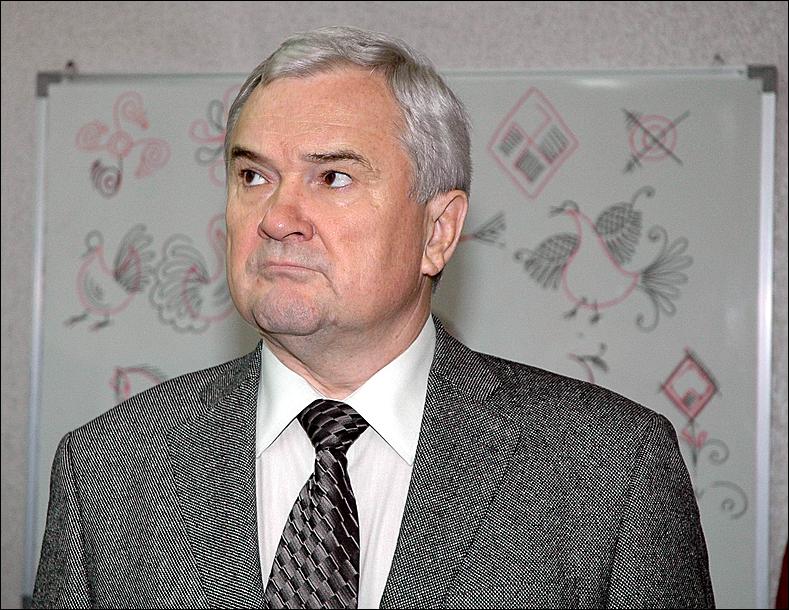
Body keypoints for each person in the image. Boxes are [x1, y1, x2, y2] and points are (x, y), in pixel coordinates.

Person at [32, 26, 715, 609]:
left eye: (332, 177)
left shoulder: (611, 470)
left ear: (437, 232)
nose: (276, 218)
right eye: (253, 176)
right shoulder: (107, 470)